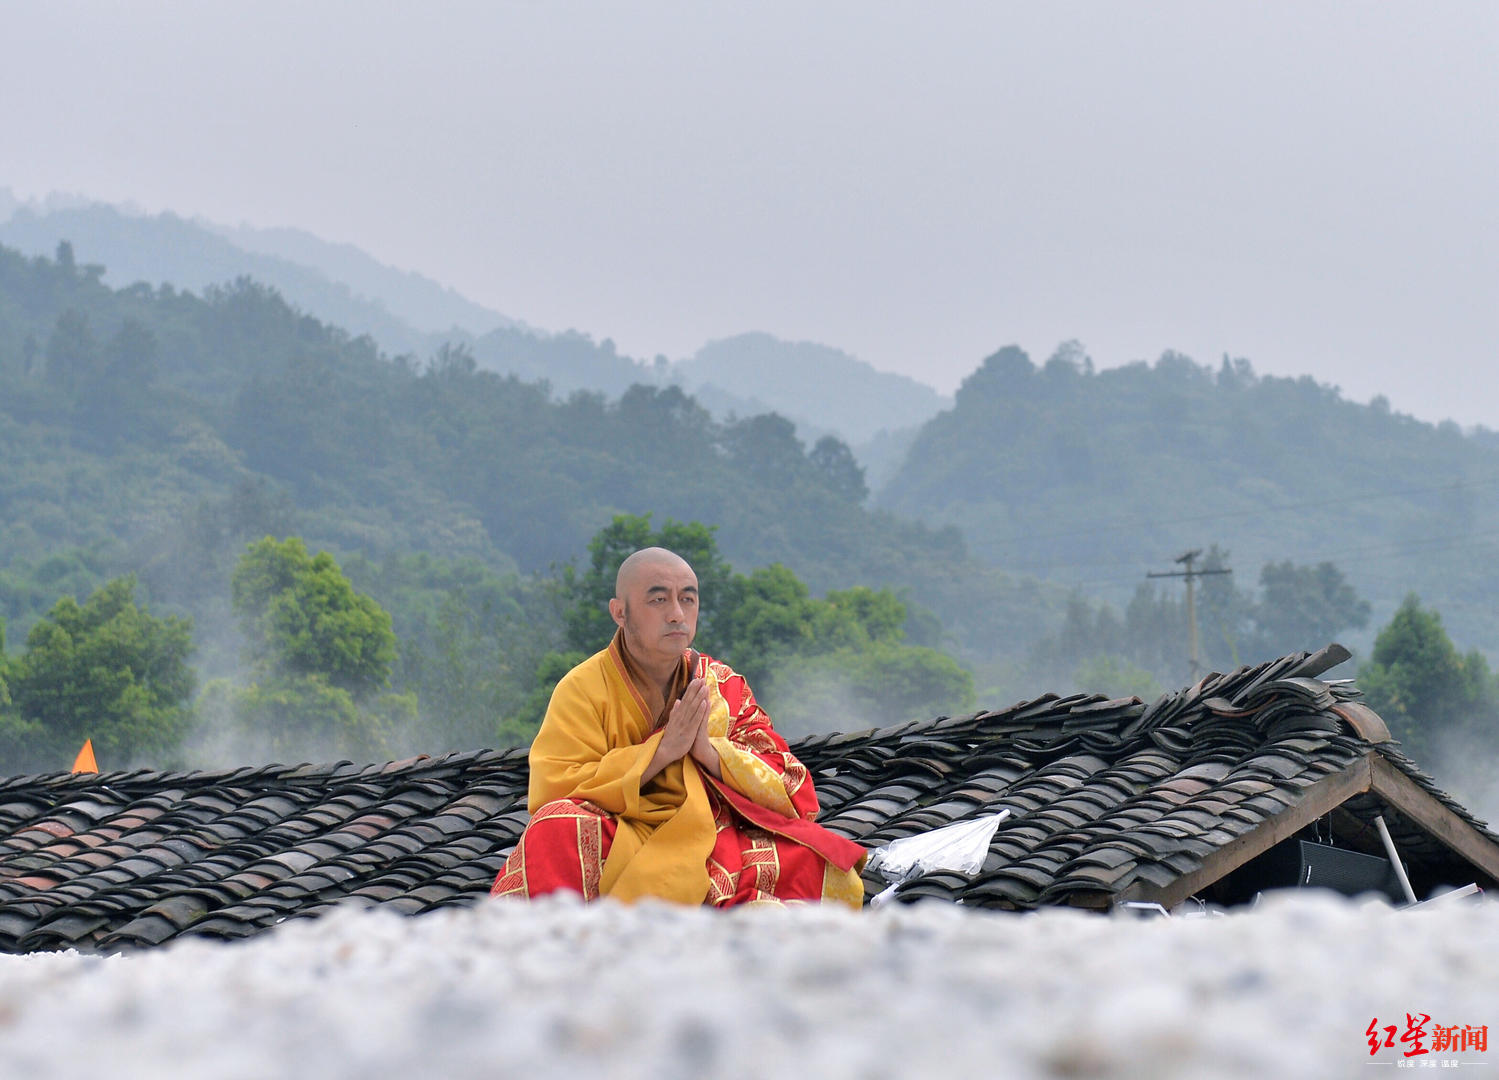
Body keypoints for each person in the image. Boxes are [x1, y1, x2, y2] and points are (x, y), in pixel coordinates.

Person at [491, 547, 866, 907]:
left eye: (688, 599)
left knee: (828, 868)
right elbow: (554, 788)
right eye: (658, 600)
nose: (677, 614)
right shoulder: (582, 689)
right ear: (620, 612)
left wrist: (708, 752)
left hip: (711, 836)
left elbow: (791, 783)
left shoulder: (719, 684)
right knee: (556, 830)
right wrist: (660, 753)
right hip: (623, 834)